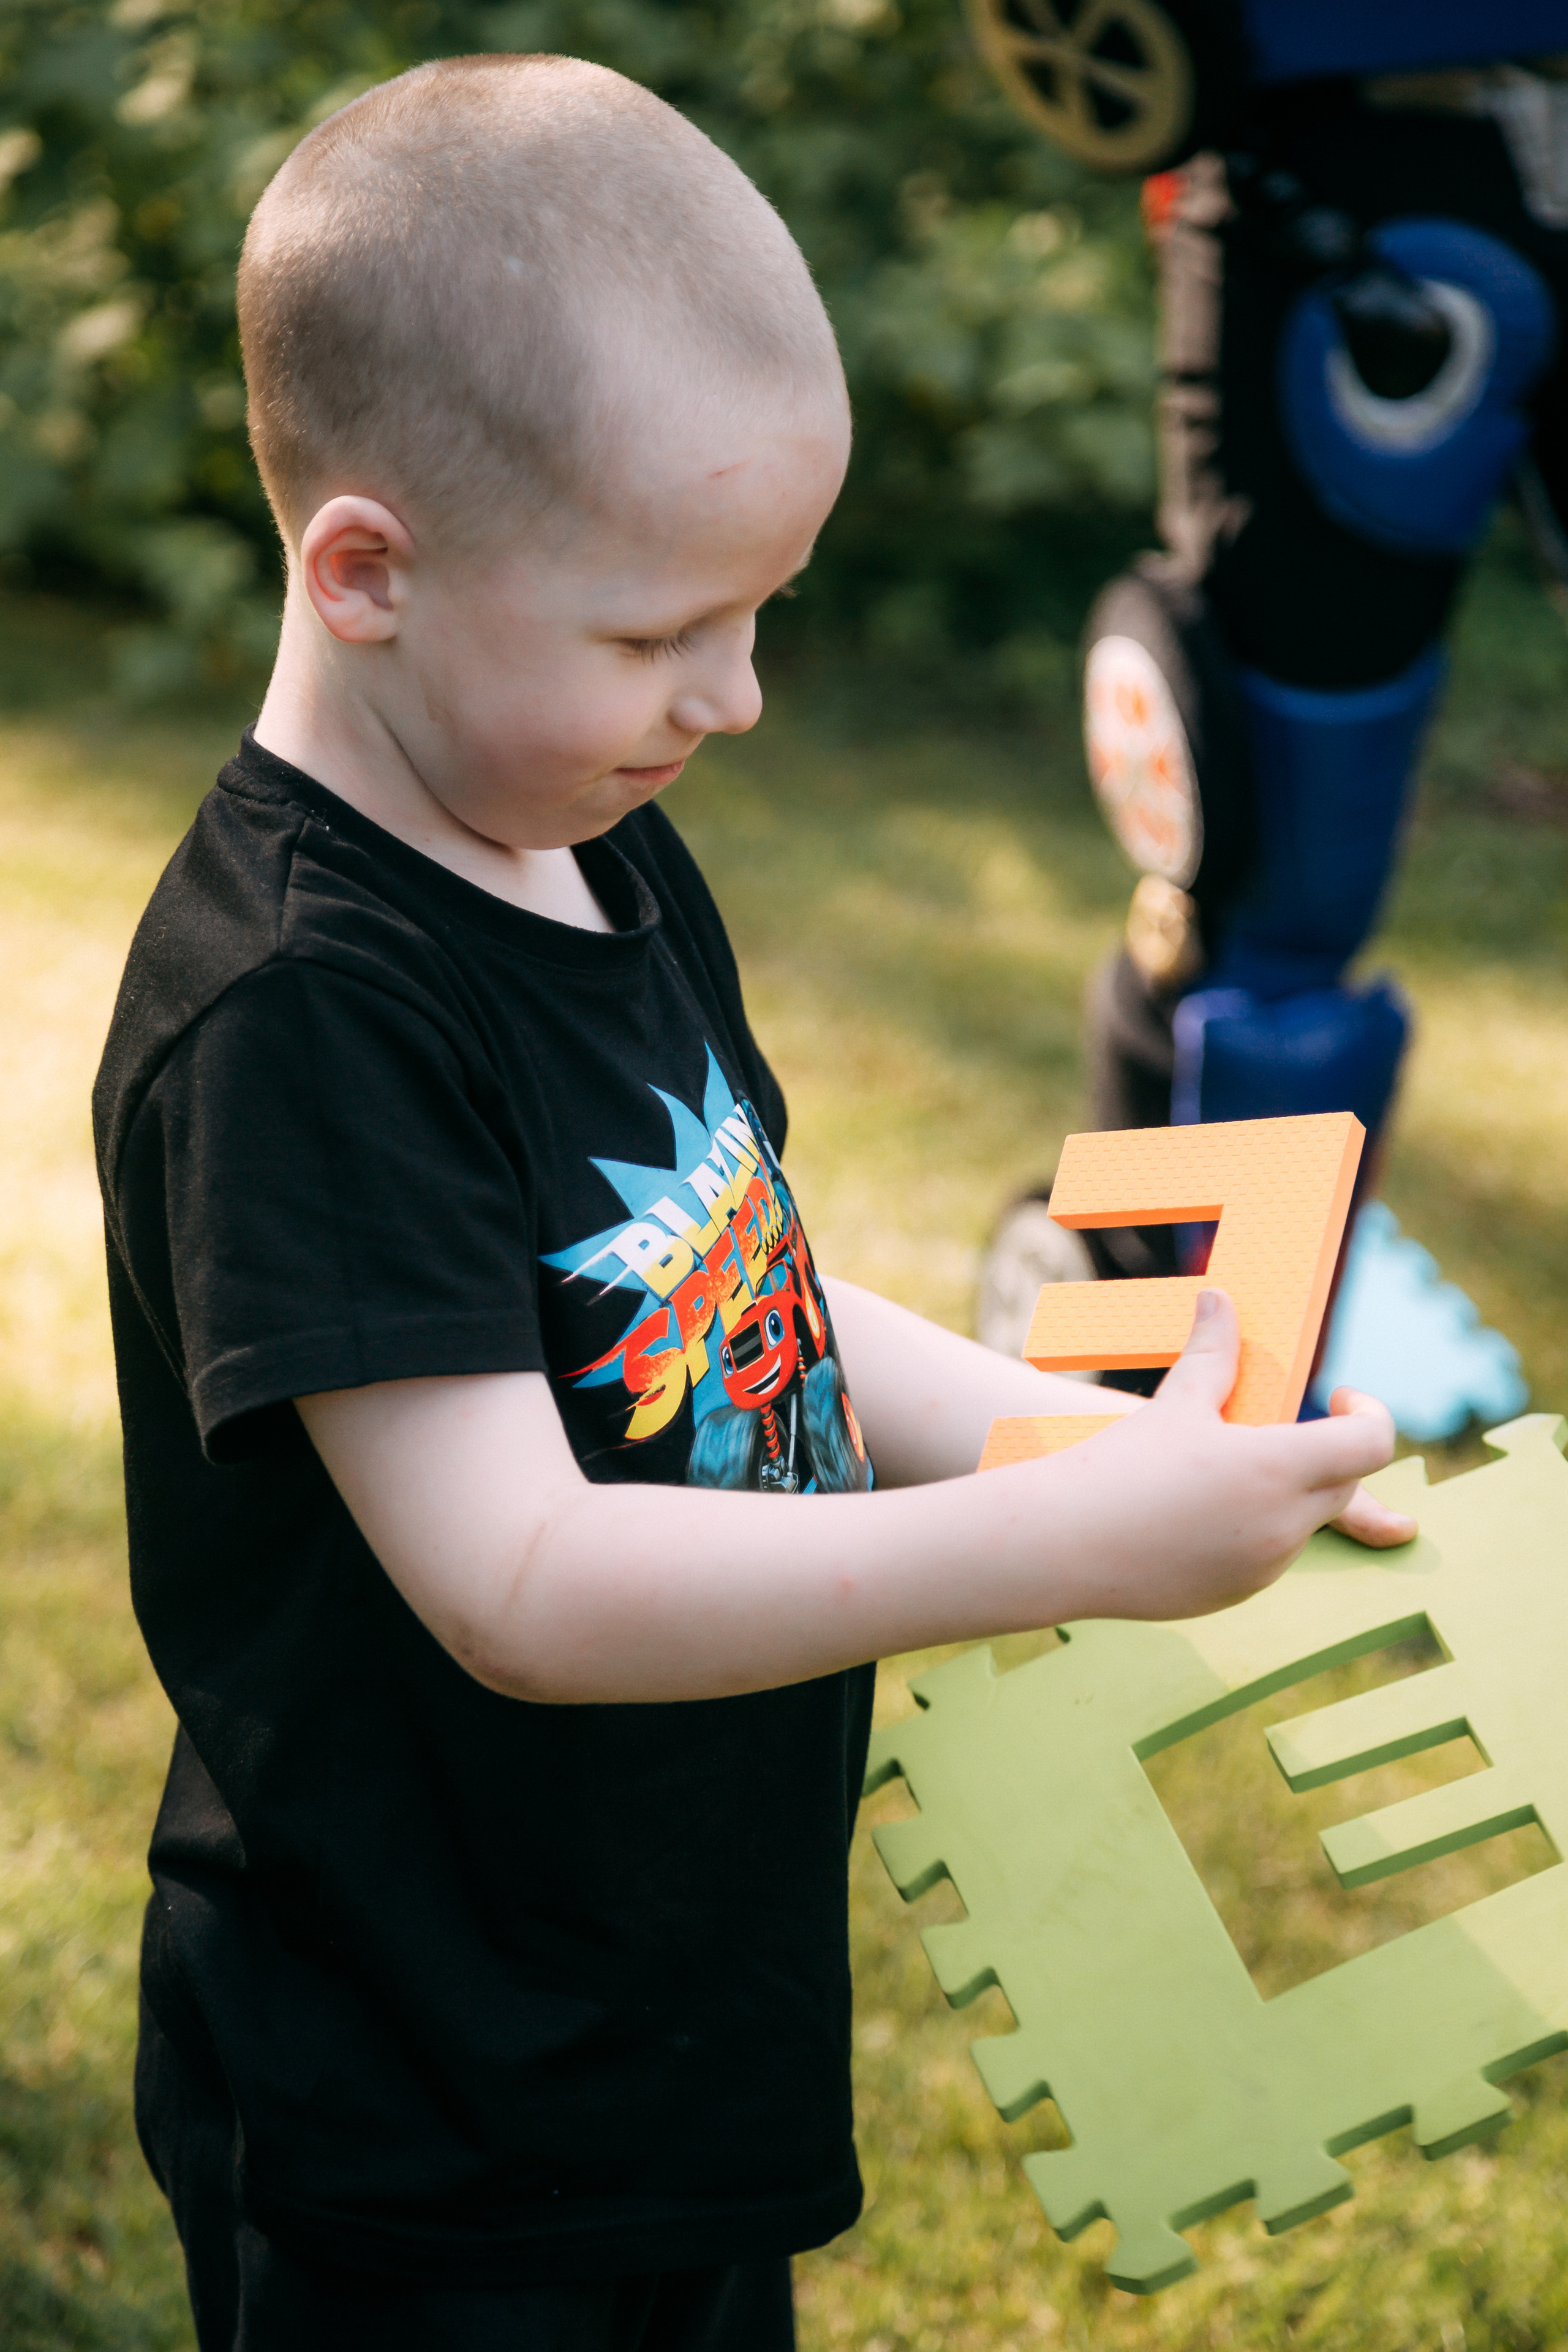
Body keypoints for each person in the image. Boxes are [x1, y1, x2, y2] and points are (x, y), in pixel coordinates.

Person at [92, 53, 1415, 2352]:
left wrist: (1095, 1438)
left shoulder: (588, 844)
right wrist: (1060, 1551)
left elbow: (747, 1292)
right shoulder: (302, 1012)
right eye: (658, 633)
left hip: (654, 2033)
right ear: (369, 568)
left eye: (763, 611)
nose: (742, 694)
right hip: (422, 2108)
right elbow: (522, 1578)